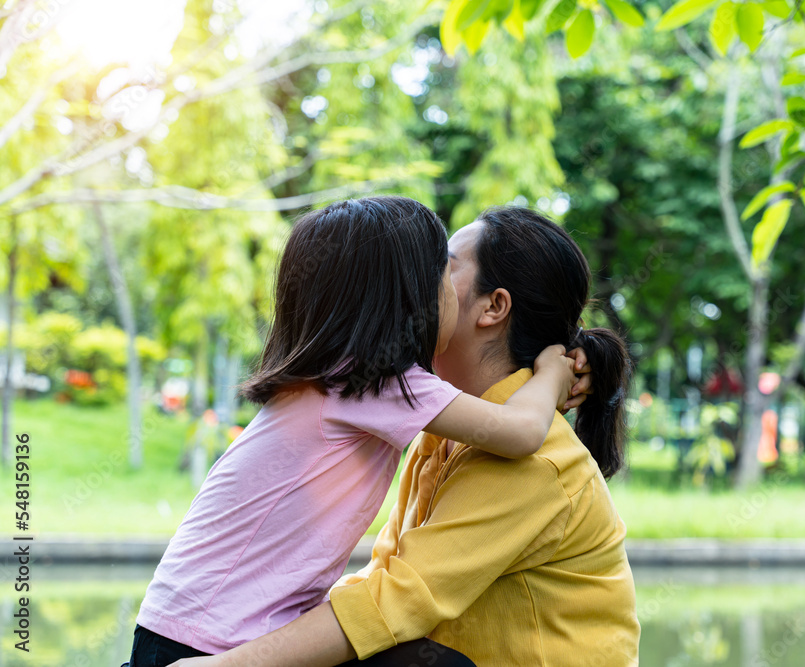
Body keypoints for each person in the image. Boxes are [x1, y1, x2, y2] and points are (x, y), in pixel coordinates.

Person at [128, 197, 589, 666]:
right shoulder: (386, 386)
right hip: (207, 647)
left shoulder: (343, 379)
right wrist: (553, 373)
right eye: (440, 275)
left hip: (179, 630)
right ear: (408, 300)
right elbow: (521, 430)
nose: (446, 289)